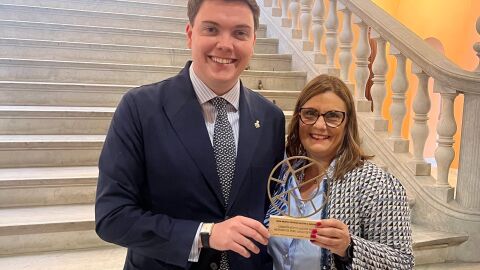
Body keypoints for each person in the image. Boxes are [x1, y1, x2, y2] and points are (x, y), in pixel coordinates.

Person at [95, 0, 285, 269]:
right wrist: (204, 234)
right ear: (190, 34)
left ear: (253, 41)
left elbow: (270, 207)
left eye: (240, 33)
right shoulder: (140, 108)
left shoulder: (270, 118)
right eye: (211, 29)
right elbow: (112, 217)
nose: (225, 44)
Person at [265, 74, 414, 269]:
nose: (319, 125)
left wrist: (349, 247)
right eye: (310, 113)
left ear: (347, 124)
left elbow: (402, 263)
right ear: (298, 118)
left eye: (332, 116)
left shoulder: (377, 184)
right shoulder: (284, 175)